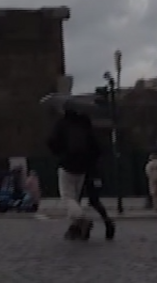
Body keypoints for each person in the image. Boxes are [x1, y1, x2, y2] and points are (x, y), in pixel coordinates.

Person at [47, 102, 99, 240]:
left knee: (67, 198)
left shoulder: (62, 123)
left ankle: (82, 219)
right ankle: (75, 227)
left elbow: (53, 142)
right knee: (75, 198)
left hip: (67, 163)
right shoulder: (84, 122)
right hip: (83, 166)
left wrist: (59, 153)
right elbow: (94, 144)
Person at [79, 168, 116, 240]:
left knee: (78, 199)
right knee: (94, 200)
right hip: (96, 174)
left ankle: (83, 225)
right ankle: (107, 222)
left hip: (86, 174)